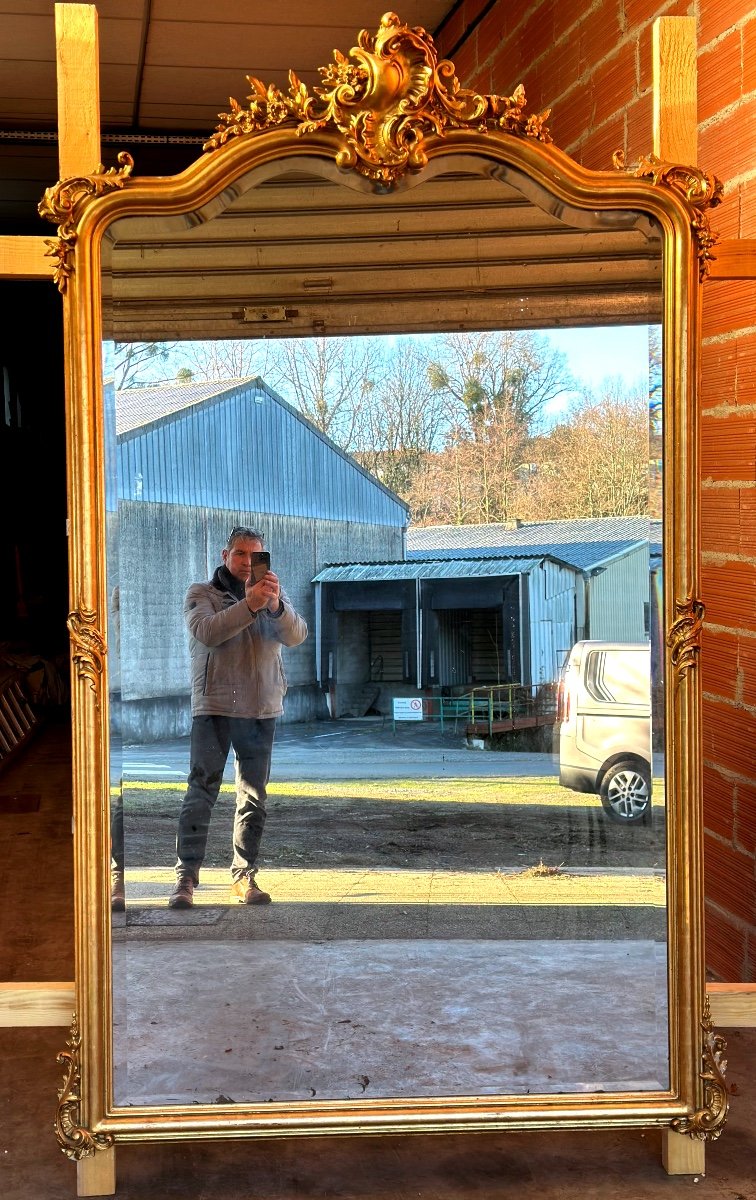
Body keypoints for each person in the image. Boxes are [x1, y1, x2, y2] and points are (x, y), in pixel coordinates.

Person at [168, 526, 307, 909]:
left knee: (253, 797)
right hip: (215, 706)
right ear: (224, 554)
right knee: (201, 792)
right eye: (241, 554)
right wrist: (248, 605)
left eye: (256, 556)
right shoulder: (202, 594)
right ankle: (186, 880)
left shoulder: (272, 595)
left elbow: (296, 635)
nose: (248, 562)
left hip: (262, 708)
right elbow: (208, 632)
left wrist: (276, 606)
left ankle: (244, 878)